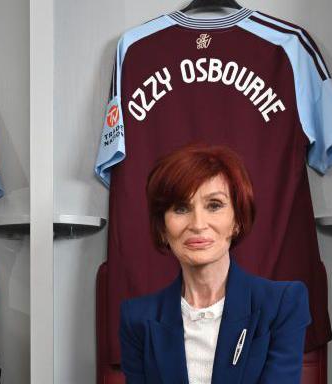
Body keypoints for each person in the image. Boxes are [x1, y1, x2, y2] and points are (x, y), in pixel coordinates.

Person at [119, 144, 311, 384]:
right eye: (181, 208)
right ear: (162, 229)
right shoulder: (136, 318)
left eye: (214, 205)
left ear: (237, 220)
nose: (198, 224)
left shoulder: (282, 304)